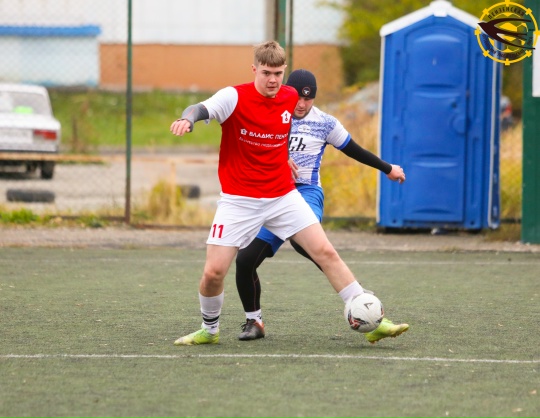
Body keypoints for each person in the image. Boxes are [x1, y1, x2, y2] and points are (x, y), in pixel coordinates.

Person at [170, 41, 404, 346]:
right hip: (239, 200)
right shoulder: (233, 97)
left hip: (283, 196)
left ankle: (374, 320)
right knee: (214, 272)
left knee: (325, 252)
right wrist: (188, 118)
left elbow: (287, 133)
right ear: (254, 69)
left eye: (278, 74)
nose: (273, 80)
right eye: (266, 73)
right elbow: (201, 108)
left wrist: (283, 157)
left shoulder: (291, 96)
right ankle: (209, 330)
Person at [235, 69, 409, 344]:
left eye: (309, 99)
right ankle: (254, 321)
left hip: (306, 194)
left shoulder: (325, 123)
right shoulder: (270, 115)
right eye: (298, 98)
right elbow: (247, 148)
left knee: (304, 243)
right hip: (273, 195)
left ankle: (363, 304)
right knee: (245, 261)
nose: (302, 104)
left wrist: (387, 168)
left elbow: (354, 149)